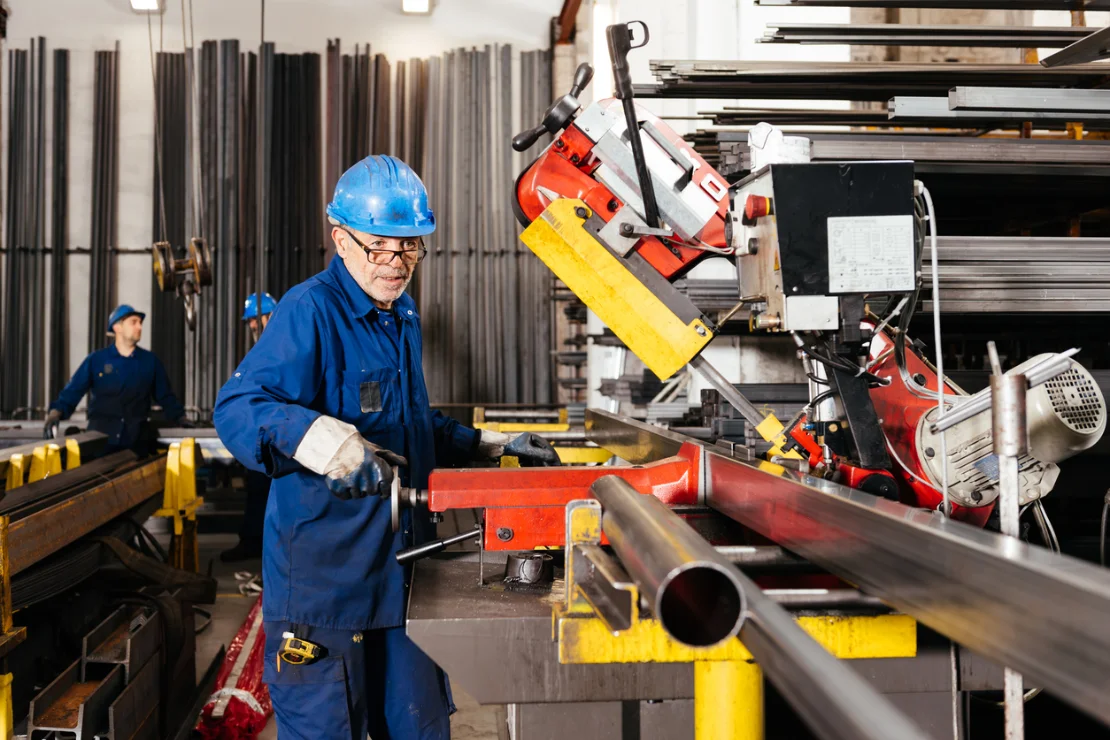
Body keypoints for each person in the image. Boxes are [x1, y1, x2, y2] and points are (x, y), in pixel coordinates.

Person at [214, 155, 519, 740]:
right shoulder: (309, 310)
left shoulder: (400, 314)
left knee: (419, 726)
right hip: (327, 588)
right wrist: (321, 443)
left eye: (410, 248)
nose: (396, 264)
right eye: (380, 247)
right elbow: (238, 407)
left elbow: (406, 421)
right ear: (341, 239)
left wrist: (485, 445)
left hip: (402, 576)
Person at [45, 304, 189, 454]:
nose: (139, 327)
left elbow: (166, 397)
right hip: (100, 444)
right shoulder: (97, 360)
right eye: (134, 322)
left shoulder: (150, 362)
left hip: (136, 446)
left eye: (140, 323)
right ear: (117, 327)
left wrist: (181, 418)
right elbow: (73, 391)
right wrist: (56, 413)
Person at [220, 291, 279, 563]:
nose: (253, 325)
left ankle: (263, 545)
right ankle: (254, 542)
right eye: (251, 322)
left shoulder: (282, 344)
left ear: (270, 315)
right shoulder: (261, 348)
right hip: (264, 429)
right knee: (257, 486)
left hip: (280, 429)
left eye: (257, 319)